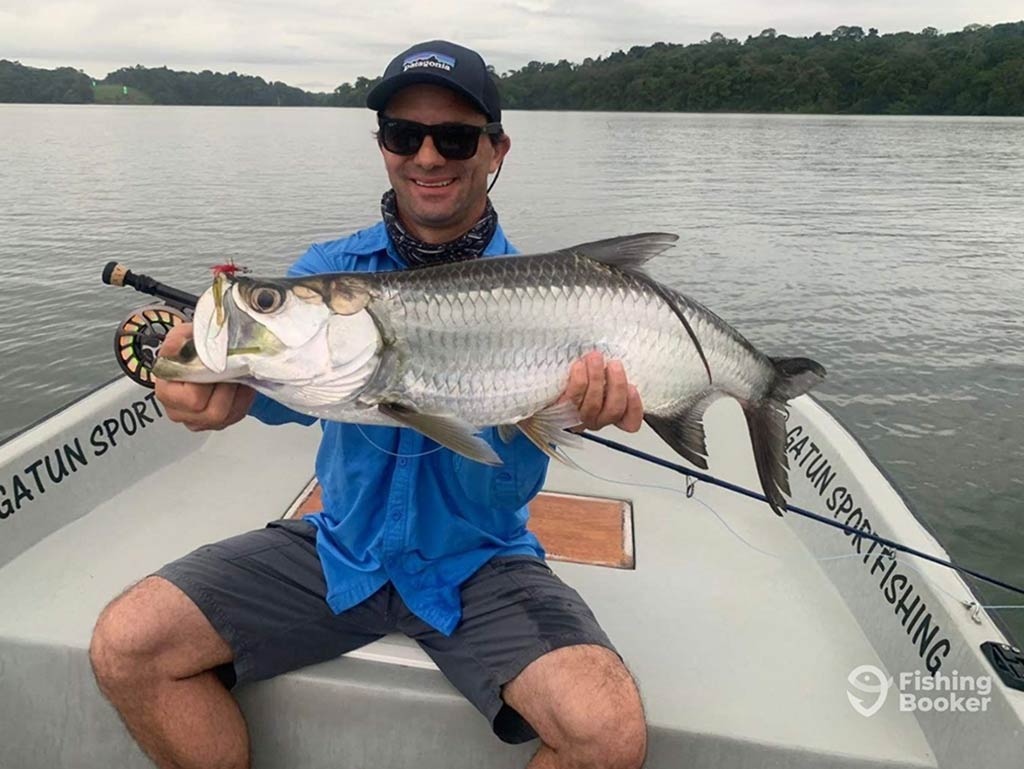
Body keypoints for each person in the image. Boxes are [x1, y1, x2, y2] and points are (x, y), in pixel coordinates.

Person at [89, 40, 647, 769]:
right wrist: (207, 380)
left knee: (609, 733)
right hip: (337, 549)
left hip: (477, 566)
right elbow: (278, 389)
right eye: (402, 134)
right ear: (382, 145)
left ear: (495, 149)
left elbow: (511, 476)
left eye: (453, 137)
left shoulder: (549, 299)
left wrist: (578, 408)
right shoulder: (328, 273)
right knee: (127, 644)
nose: (427, 156)